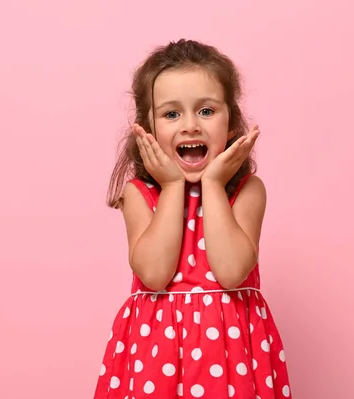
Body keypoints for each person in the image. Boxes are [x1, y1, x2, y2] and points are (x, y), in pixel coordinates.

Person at [94, 38, 292, 399]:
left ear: (231, 123)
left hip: (232, 356)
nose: (190, 126)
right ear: (147, 131)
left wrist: (214, 184)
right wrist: (171, 187)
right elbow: (154, 276)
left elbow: (232, 272)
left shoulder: (246, 192)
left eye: (206, 111)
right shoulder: (139, 194)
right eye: (171, 114)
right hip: (157, 356)